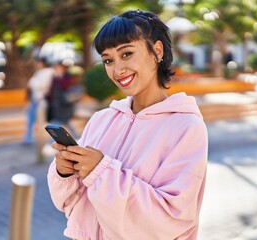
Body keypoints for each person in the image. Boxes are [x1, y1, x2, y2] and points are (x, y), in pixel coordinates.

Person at [47, 9, 208, 239]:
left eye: (126, 54)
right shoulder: (102, 120)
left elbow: (171, 218)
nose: (117, 69)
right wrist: (65, 172)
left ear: (157, 51)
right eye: (108, 60)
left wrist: (100, 171)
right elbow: (70, 203)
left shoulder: (186, 127)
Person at [46, 61, 82, 139]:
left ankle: (53, 140)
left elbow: (65, 87)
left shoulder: (67, 76)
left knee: (58, 123)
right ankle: (77, 137)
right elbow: (52, 90)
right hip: (57, 105)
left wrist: (59, 77)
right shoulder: (55, 77)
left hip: (65, 106)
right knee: (65, 123)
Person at [23, 57, 53, 144]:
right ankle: (28, 138)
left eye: (38, 63)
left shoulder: (49, 72)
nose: (36, 65)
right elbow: (31, 87)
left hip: (43, 100)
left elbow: (48, 86)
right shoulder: (37, 73)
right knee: (30, 119)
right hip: (34, 100)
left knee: (48, 120)